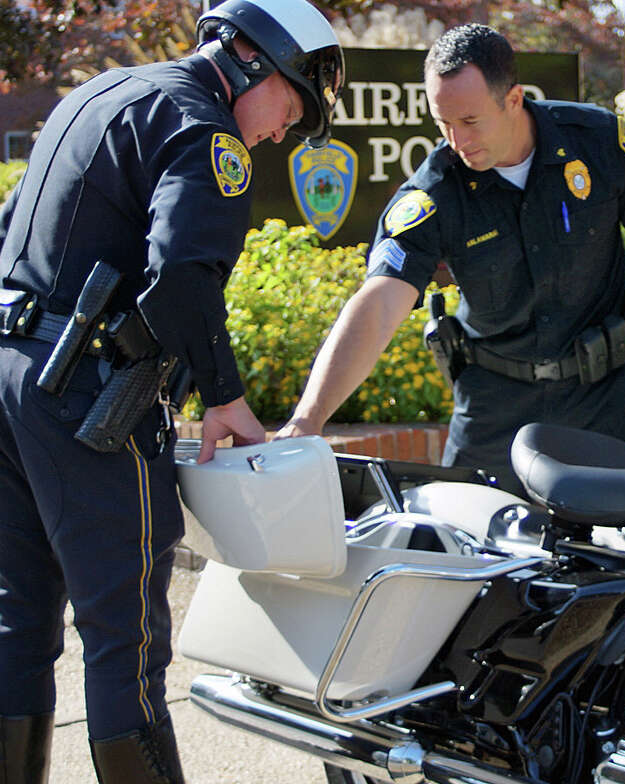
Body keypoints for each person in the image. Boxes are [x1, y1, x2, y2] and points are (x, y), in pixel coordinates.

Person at [0, 0, 343, 779]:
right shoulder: (206, 131)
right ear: (255, 61)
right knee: (128, 639)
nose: (281, 132)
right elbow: (182, 280)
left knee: (18, 620)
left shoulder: (101, 93)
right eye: (293, 106)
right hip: (82, 398)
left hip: (12, 375)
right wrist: (224, 396)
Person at [278, 23, 625, 492]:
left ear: (513, 100)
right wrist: (309, 418)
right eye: (442, 123)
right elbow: (378, 305)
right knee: (469, 543)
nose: (457, 139)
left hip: (600, 406)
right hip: (494, 415)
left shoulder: (598, 145)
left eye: (470, 121)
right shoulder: (436, 192)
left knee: (613, 554)